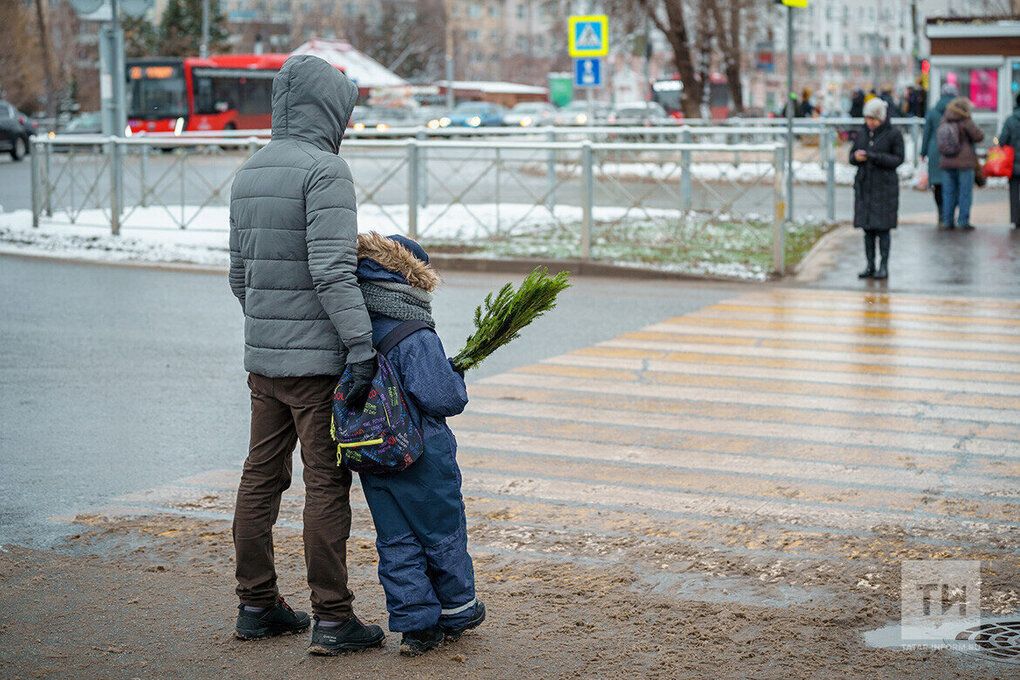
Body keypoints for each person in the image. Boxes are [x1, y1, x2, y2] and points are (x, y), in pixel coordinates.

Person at [227, 54, 385, 655]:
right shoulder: (326, 171)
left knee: (260, 478)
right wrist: (360, 345)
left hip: (264, 365)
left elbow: (240, 276)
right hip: (318, 369)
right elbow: (332, 271)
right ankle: (333, 618)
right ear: (330, 108)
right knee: (325, 483)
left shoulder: (250, 172)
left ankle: (256, 603)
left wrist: (270, 328)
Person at [352, 232, 485, 657]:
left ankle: (415, 627)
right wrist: (454, 374)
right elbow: (443, 397)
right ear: (412, 280)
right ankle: (457, 611)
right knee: (441, 532)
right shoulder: (414, 333)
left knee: (396, 541)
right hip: (422, 453)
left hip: (374, 452)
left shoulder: (355, 327)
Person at [850, 97, 904, 280]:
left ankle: (884, 266)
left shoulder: (894, 134)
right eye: (867, 119)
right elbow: (851, 155)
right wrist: (855, 157)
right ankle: (870, 265)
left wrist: (873, 156)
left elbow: (898, 159)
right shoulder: (862, 133)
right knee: (868, 231)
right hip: (866, 186)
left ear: (881, 118)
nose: (870, 123)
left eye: (873, 119)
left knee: (883, 230)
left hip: (885, 188)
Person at [939, 96, 985, 230]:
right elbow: (979, 136)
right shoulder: (965, 120)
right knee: (965, 193)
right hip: (965, 163)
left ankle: (948, 221)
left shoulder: (945, 118)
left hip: (947, 162)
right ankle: (963, 221)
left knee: (948, 193)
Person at [920, 84, 957, 227]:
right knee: (952, 183)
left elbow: (927, 133)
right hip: (953, 150)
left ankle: (941, 214)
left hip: (935, 151)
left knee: (938, 184)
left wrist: (923, 152)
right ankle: (950, 214)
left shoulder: (933, 111)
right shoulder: (957, 112)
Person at [996, 92, 1020, 230]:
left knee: (1014, 191)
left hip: (1014, 163)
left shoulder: (1010, 120)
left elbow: (1002, 141)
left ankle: (1016, 219)